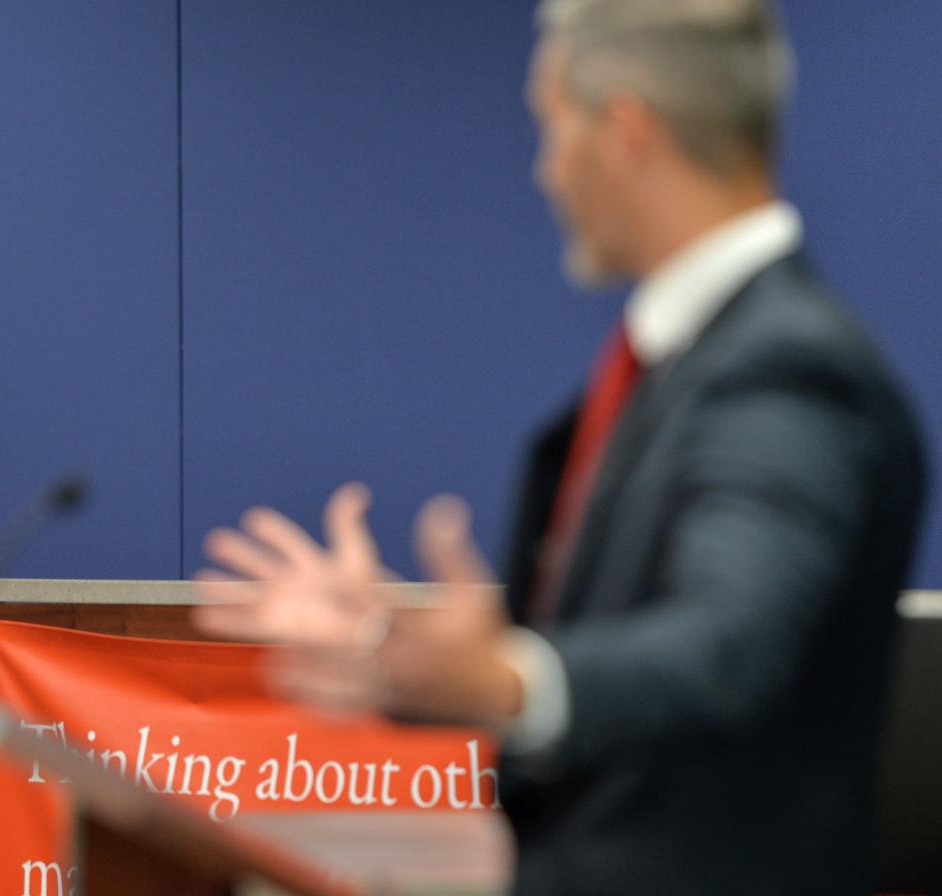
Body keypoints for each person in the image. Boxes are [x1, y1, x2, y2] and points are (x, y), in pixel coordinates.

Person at [193, 1, 926, 893]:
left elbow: (731, 646)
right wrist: (416, 659)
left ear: (626, 131)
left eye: (553, 126)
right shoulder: (685, 365)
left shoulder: (788, 368)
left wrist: (509, 675)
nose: (546, 170)